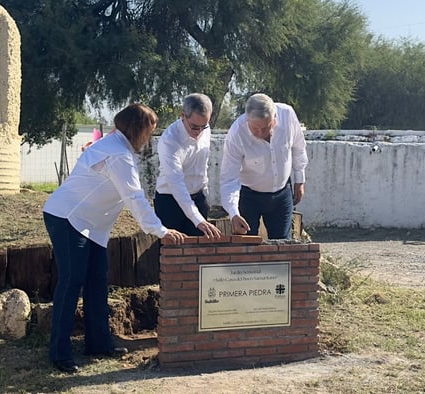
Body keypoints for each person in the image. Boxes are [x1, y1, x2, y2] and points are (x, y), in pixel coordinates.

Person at [42, 103, 186, 374]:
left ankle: (98, 343)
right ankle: (59, 353)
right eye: (149, 131)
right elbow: (134, 197)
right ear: (137, 129)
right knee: (72, 281)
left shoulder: (116, 146)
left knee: (97, 280)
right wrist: (161, 230)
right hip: (68, 218)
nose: (149, 138)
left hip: (91, 225)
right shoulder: (118, 154)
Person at [219, 93, 308, 239]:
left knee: (282, 246)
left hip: (282, 193)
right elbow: (229, 178)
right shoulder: (236, 133)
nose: (260, 133)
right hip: (248, 196)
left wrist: (300, 180)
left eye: (266, 128)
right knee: (247, 245)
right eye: (255, 128)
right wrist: (234, 214)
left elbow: (298, 148)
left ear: (275, 118)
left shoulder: (287, 115)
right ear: (247, 119)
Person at [154, 93, 222, 238]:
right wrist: (197, 219)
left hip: (198, 198)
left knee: (199, 252)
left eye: (203, 127)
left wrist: (205, 196)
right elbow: (176, 183)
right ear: (183, 115)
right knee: (172, 254)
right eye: (194, 127)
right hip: (170, 201)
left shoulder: (205, 130)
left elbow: (202, 166)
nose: (198, 132)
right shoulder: (170, 141)